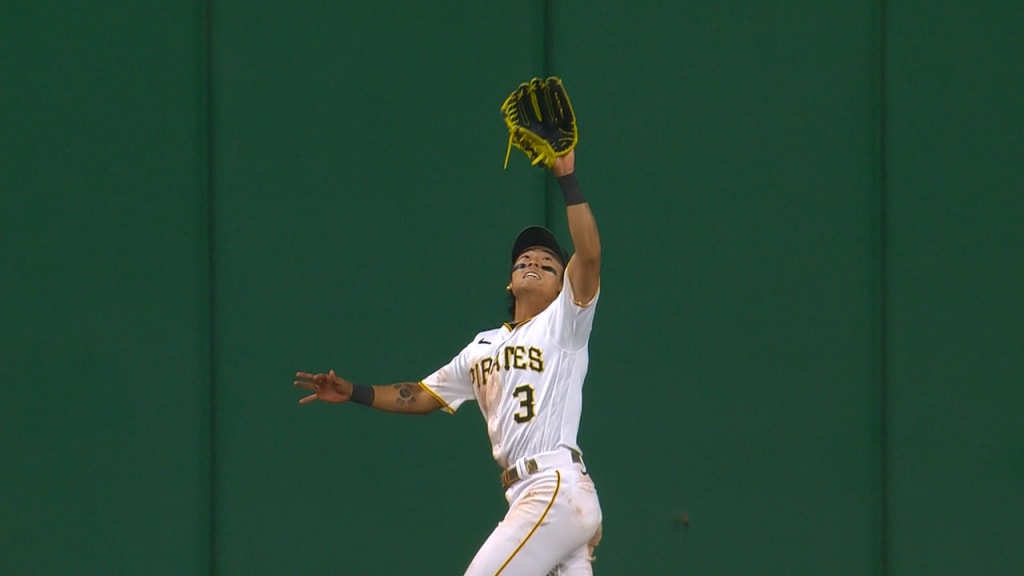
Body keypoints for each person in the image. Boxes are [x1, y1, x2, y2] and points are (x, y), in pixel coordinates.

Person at [294, 149, 603, 575]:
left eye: (548, 264)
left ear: (560, 286)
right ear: (509, 281)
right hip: (539, 496)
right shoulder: (482, 347)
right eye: (524, 260)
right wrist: (354, 393)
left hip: (552, 487)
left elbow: (588, 255)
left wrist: (567, 178)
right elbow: (421, 394)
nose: (533, 262)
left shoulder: (565, 323)